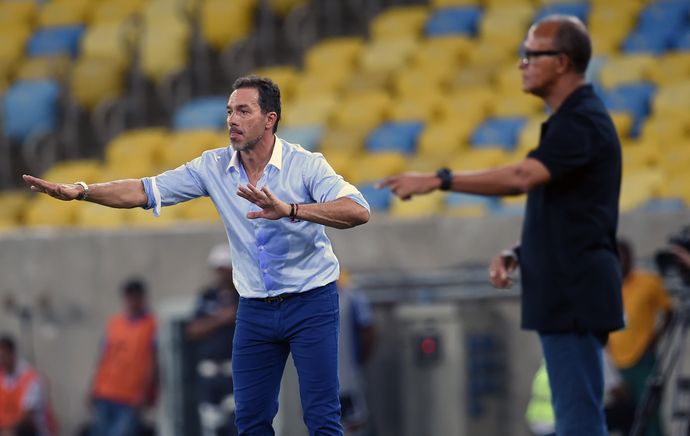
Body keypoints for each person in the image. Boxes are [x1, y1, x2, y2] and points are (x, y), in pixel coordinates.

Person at [24, 75, 371, 435]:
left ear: (270, 119)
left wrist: (292, 209)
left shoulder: (307, 165)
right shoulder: (213, 166)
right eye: (229, 111)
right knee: (250, 420)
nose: (231, 120)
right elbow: (144, 190)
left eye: (243, 111)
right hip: (254, 307)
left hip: (311, 302)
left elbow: (358, 211)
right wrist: (81, 191)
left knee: (322, 417)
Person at [377, 15, 624, 436]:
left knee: (579, 423)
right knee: (577, 418)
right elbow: (573, 214)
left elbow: (521, 178)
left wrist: (440, 180)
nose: (521, 63)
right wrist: (519, 251)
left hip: (575, 291)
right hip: (569, 288)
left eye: (531, 54)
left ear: (562, 62)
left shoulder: (581, 120)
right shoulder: (572, 121)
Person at [608, 239, 674, 436]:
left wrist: (654, 341)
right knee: (627, 417)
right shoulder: (607, 286)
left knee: (649, 412)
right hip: (616, 364)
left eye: (624, 257)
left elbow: (670, 312)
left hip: (642, 360)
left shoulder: (648, 282)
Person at [88, 279, 157, 436]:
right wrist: (93, 387)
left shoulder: (151, 324)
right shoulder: (114, 323)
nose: (132, 301)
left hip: (130, 397)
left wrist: (146, 392)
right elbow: (103, 356)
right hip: (105, 392)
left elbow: (152, 362)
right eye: (129, 297)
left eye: (136, 297)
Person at [186, 244, 240, 436]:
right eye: (218, 269)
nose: (221, 273)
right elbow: (193, 330)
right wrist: (221, 318)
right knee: (212, 425)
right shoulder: (207, 296)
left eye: (224, 268)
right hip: (209, 373)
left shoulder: (241, 295)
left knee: (237, 422)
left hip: (233, 371)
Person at [526, 351, 636, 436]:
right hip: (564, 425)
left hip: (539, 426)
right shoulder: (593, 352)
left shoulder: (554, 352)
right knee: (629, 411)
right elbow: (619, 391)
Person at [336, 271, 376, 436]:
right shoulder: (353, 295)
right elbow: (369, 331)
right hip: (347, 380)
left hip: (324, 381)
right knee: (354, 426)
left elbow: (368, 331)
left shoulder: (351, 295)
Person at [0, 335, 58, 436]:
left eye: (2, 356)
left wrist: (7, 431)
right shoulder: (2, 377)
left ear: (11, 354)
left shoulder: (33, 378)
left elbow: (27, 416)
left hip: (32, 430)